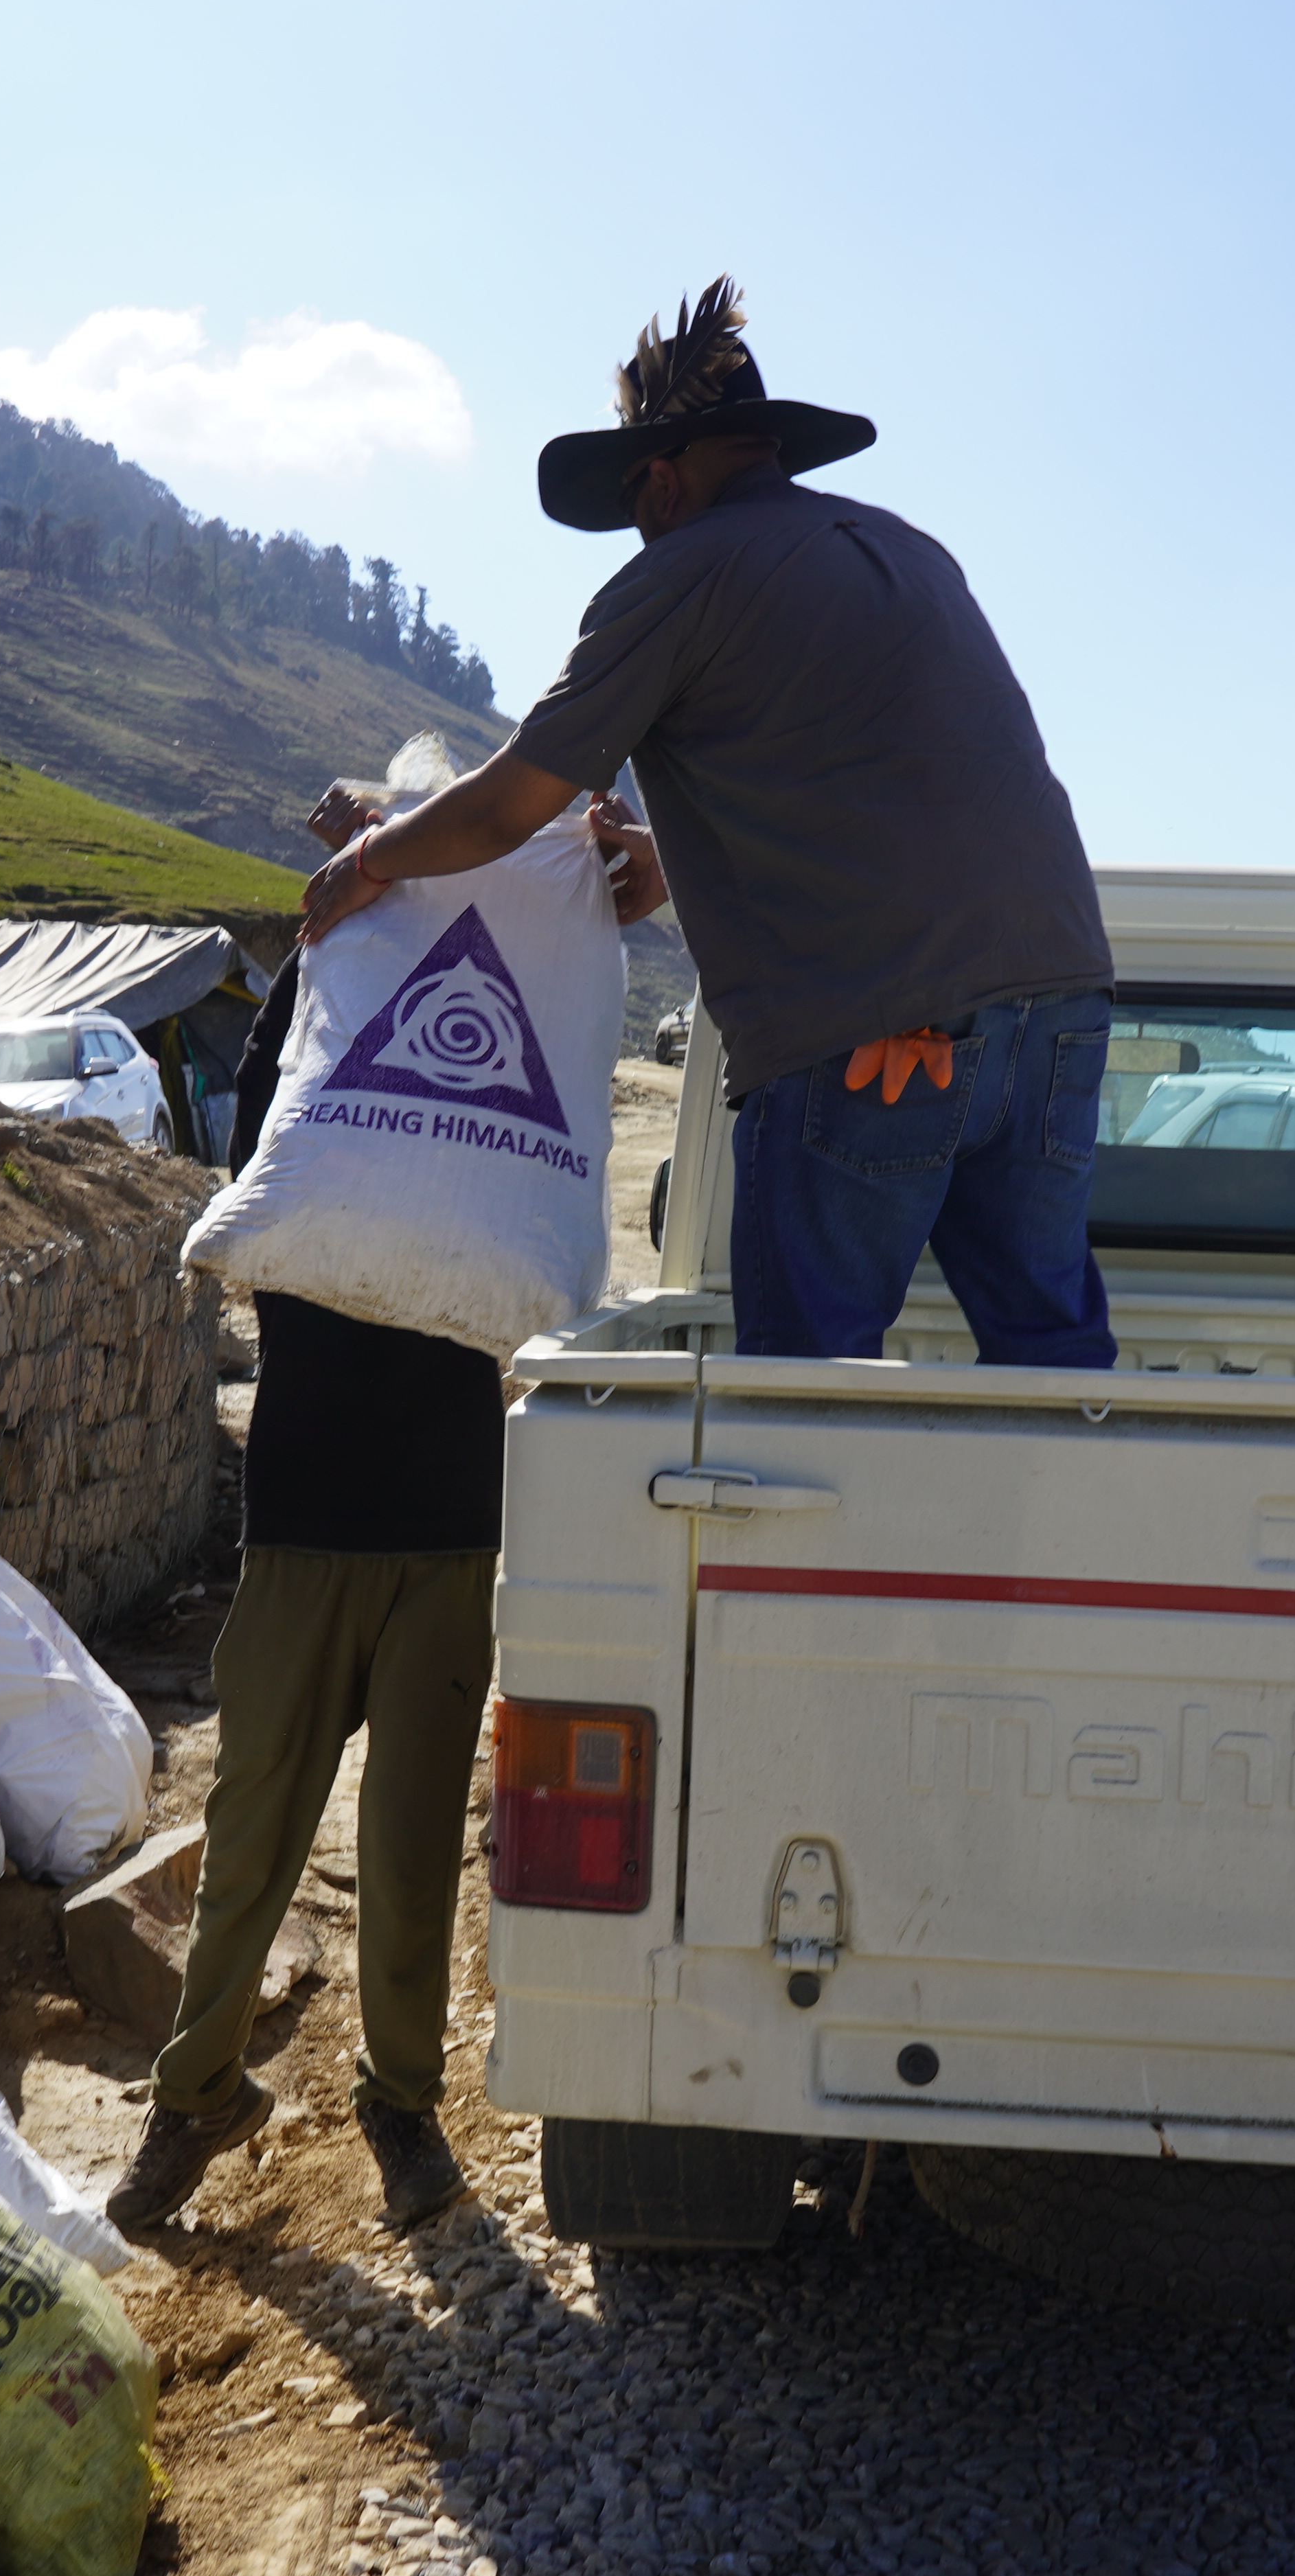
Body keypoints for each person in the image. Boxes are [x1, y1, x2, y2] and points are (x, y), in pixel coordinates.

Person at [297, 274, 1115, 1370]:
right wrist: (670, 860)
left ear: (663, 482)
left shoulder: (680, 574)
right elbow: (876, 777)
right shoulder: (910, 552)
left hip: (874, 1035)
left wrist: (369, 857)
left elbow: (507, 804)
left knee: (801, 1393)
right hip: (1060, 1000)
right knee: (1053, 1357)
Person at [104, 771, 655, 2237]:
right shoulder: (331, 1009)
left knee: (413, 1856)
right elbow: (276, 1140)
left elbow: (624, 909)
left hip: (453, 1523)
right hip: (303, 1513)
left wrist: (581, 857)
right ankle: (195, 2097)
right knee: (250, 1836)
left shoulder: (536, 994)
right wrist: (357, 886)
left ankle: (400, 2109)